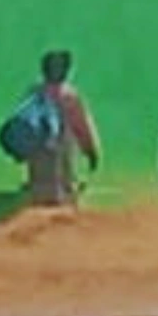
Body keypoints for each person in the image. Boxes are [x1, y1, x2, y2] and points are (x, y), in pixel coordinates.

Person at [31, 50, 101, 208]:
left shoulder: (34, 93)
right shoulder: (69, 96)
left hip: (37, 152)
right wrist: (91, 152)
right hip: (62, 151)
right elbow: (82, 128)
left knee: (40, 188)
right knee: (64, 189)